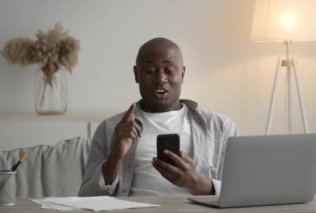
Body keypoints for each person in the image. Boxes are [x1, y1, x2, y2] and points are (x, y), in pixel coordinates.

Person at [78, 37, 237, 197]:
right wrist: (116, 156)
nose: (160, 79)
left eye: (169, 70)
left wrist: (196, 182)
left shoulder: (219, 126)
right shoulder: (111, 128)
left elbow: (240, 193)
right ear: (136, 74)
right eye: (151, 71)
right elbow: (86, 198)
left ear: (182, 74)